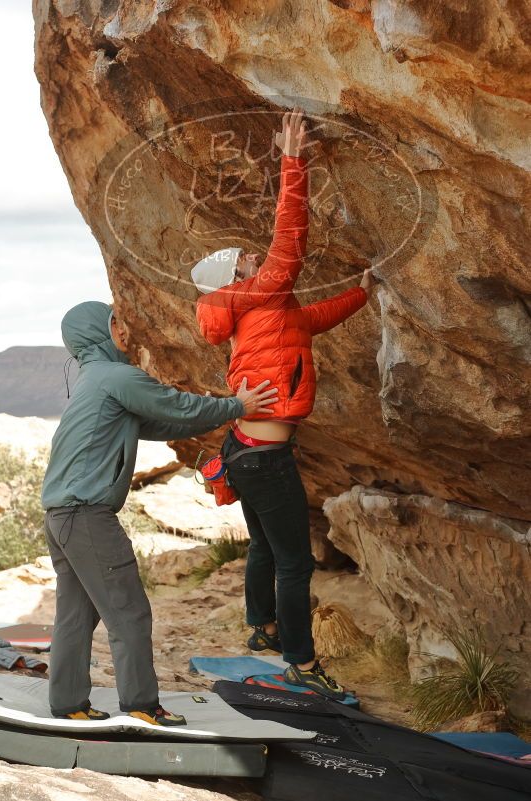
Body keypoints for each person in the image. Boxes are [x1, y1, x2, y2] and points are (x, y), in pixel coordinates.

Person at [192, 107, 374, 701]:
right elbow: (290, 236)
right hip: (265, 461)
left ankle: (262, 631)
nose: (257, 258)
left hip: (250, 452)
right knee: (296, 563)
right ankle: (301, 660)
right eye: (247, 258)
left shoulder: (265, 311)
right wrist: (293, 160)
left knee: (268, 548)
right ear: (237, 275)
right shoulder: (259, 290)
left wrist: (363, 294)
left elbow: (314, 318)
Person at [41, 300, 277, 725]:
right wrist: (238, 406)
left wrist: (222, 416)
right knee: (128, 611)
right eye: (117, 321)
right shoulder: (116, 377)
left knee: (76, 614)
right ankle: (141, 706)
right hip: (88, 515)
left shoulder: (96, 381)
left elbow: (161, 424)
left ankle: (69, 704)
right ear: (100, 330)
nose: (125, 330)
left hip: (60, 517)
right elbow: (175, 406)